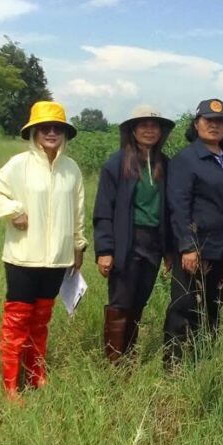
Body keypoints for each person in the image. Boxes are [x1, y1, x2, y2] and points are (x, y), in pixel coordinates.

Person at [0, 101, 86, 400]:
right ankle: (10, 386)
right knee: (17, 321)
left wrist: (78, 245)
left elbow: (78, 211)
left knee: (41, 321)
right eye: (45, 128)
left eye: (57, 128)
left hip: (57, 259)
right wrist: (13, 211)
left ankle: (35, 376)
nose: (51, 133)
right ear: (34, 132)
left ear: (64, 133)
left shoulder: (71, 169)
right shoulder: (19, 164)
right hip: (22, 258)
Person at [163, 99, 223, 366]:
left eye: (220, 121)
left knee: (212, 304)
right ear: (196, 124)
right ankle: (174, 364)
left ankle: (204, 358)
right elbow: (178, 207)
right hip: (196, 247)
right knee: (184, 305)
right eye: (208, 120)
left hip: (221, 246)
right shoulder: (186, 160)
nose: (214, 126)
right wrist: (187, 246)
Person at [93, 105, 175, 362]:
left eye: (154, 126)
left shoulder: (165, 165)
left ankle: (128, 357)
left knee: (139, 301)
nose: (150, 130)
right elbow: (103, 209)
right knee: (121, 301)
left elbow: (170, 210)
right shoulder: (116, 164)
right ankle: (115, 363)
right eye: (143, 125)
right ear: (133, 130)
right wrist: (105, 250)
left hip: (153, 243)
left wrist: (169, 250)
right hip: (126, 241)